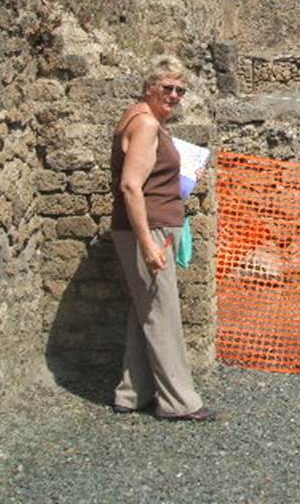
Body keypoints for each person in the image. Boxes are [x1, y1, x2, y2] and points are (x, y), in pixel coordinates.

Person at [109, 54, 213, 421]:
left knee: (146, 311)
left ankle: (131, 393)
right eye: (167, 87)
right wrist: (148, 244)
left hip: (154, 225)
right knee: (161, 314)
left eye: (180, 90)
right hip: (149, 229)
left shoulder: (146, 120)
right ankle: (179, 401)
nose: (174, 96)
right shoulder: (146, 124)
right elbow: (130, 186)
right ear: (149, 87)